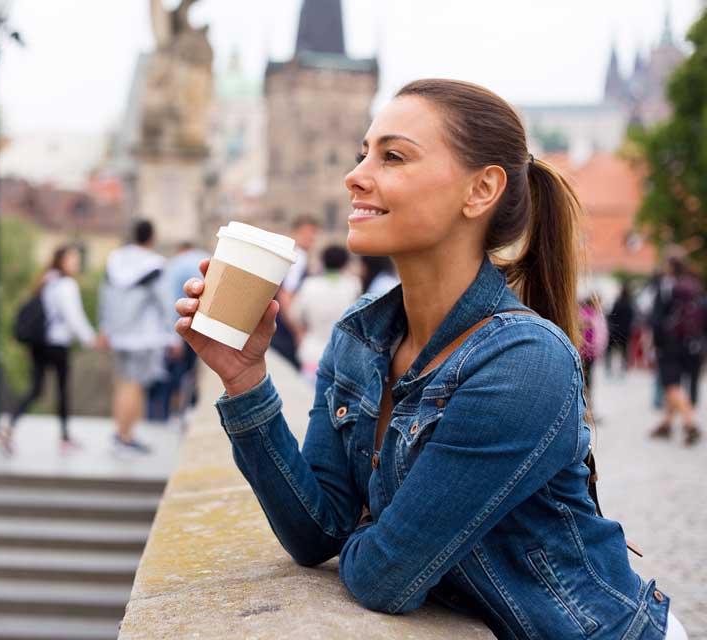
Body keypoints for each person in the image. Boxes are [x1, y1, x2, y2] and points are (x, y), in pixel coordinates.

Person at [175, 79, 685, 639]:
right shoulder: (361, 335)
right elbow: (316, 533)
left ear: (480, 190)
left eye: (392, 156)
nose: (355, 175)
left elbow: (385, 577)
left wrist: (374, 536)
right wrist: (245, 378)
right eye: (362, 153)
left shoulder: (523, 361)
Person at [0, 244, 99, 455]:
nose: (76, 263)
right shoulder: (66, 285)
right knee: (62, 390)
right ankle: (64, 438)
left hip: (40, 343)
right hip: (57, 343)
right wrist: (90, 339)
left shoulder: (47, 281)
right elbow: (74, 317)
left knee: (35, 389)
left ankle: (9, 427)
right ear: (61, 261)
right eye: (72, 259)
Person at [99, 219, 176, 456]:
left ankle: (120, 432)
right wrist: (174, 336)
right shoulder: (155, 265)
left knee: (122, 383)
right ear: (152, 238)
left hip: (118, 335)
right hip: (144, 337)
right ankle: (126, 437)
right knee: (136, 386)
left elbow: (105, 296)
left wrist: (105, 328)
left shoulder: (115, 260)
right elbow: (165, 303)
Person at [147, 241, 210, 424]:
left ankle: (163, 416)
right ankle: (186, 411)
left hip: (180, 326)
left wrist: (173, 337)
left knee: (170, 375)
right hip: (202, 328)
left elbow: (169, 303)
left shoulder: (175, 264)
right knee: (189, 373)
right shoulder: (205, 257)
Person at [649, 255, 703, 446]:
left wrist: (654, 342)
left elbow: (656, 319)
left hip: (670, 343)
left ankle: (690, 423)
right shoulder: (693, 285)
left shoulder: (666, 286)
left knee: (671, 384)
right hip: (691, 343)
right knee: (675, 382)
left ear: (669, 267)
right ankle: (666, 423)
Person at [291, 245, 361, 381]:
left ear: (322, 261)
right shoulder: (353, 285)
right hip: (342, 357)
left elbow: (294, 315)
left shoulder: (309, 285)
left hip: (312, 354)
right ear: (345, 263)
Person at [270, 216, 318, 370]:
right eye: (306, 233)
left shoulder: (293, 256)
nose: (311, 238)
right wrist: (298, 331)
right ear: (295, 233)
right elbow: (286, 295)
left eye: (313, 233)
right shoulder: (298, 257)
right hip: (285, 329)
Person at [578, 294, 608, 414]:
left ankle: (588, 408)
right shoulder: (586, 314)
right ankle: (585, 408)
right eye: (598, 302)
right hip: (585, 353)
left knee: (589, 381)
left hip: (592, 353)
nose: (600, 304)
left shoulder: (595, 314)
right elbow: (584, 331)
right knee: (586, 381)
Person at [605, 282, 636, 377]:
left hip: (615, 330)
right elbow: (632, 318)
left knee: (610, 350)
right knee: (625, 351)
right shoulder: (630, 304)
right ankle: (624, 367)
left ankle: (609, 367)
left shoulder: (617, 303)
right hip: (626, 331)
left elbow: (611, 315)